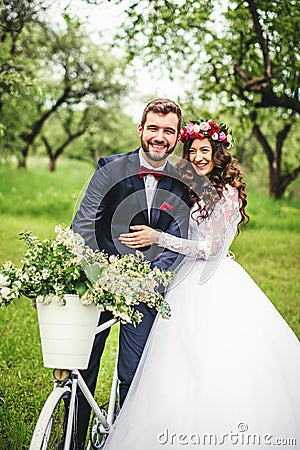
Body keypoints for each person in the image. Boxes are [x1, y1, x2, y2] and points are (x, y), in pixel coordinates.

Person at [102, 119, 300, 449]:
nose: (196, 157)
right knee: (172, 357)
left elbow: (209, 248)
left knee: (214, 353)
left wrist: (159, 238)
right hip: (180, 278)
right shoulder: (190, 187)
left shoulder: (227, 193)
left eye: (204, 151)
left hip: (212, 281)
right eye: (192, 151)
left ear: (218, 153)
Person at [71, 98, 191, 448]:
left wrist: (150, 283)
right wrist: (101, 277)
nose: (159, 137)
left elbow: (177, 240)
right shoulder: (109, 169)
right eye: (153, 128)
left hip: (146, 289)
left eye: (168, 131)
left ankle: (126, 438)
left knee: (134, 372)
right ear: (141, 130)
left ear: (176, 136)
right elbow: (83, 227)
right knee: (83, 365)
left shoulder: (182, 182)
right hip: (101, 282)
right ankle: (73, 439)